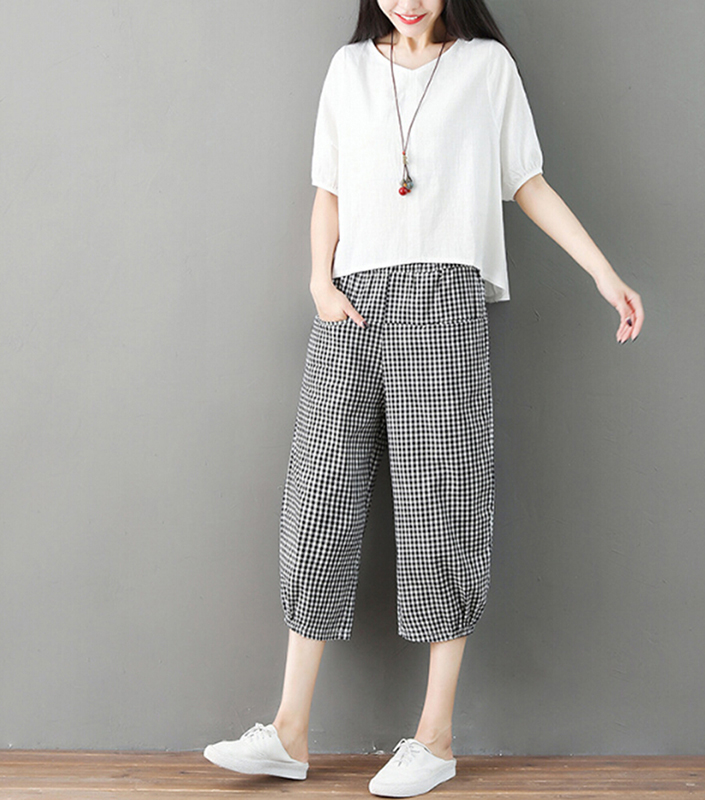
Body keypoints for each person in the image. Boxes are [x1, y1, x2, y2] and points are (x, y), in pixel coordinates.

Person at [203, 0, 645, 796]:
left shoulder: (485, 68)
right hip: (352, 301)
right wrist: (319, 284)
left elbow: (526, 181)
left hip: (444, 297)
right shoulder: (348, 70)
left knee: (444, 503)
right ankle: (290, 732)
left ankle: (435, 738)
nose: (407, 1)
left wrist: (602, 273)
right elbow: (329, 189)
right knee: (318, 497)